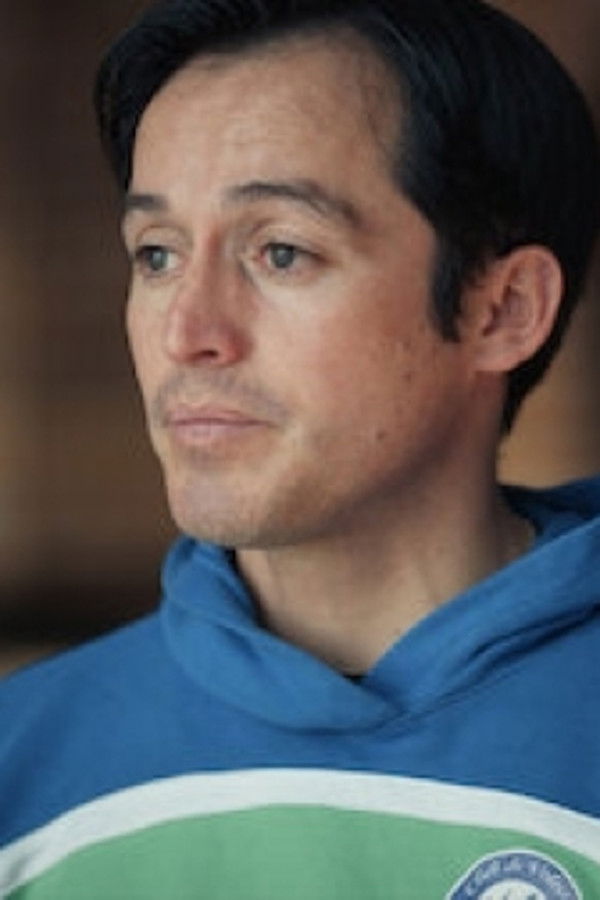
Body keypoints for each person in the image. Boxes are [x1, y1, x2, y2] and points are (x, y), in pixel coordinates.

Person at [1, 0, 599, 896]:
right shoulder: (24, 768)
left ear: (502, 309)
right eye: (157, 254)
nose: (187, 334)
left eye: (280, 252)